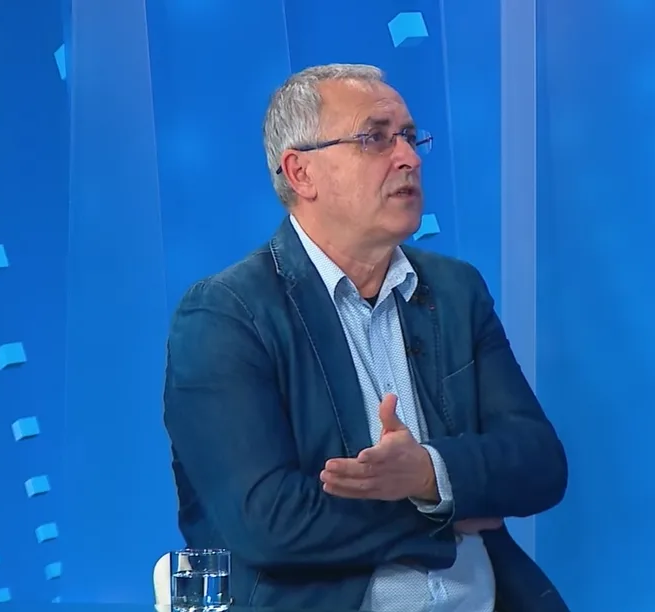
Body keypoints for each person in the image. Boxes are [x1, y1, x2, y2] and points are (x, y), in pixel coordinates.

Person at [162, 63, 569, 612]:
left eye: (409, 137)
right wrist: (440, 499)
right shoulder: (226, 314)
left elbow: (540, 464)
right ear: (301, 173)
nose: (409, 158)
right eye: (375, 138)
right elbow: (267, 522)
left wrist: (426, 471)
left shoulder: (455, 290)